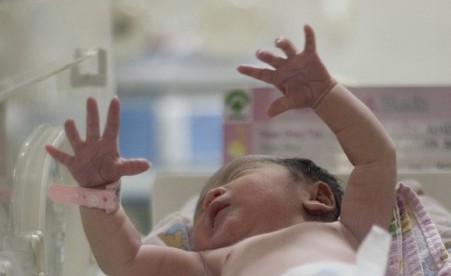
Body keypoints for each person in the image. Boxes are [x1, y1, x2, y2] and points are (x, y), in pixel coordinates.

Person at [46, 24, 396, 275]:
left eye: (238, 176)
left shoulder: (350, 232)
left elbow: (375, 160)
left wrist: (325, 95)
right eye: (198, 212)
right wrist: (96, 193)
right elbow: (127, 262)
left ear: (318, 198)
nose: (212, 194)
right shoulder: (206, 264)